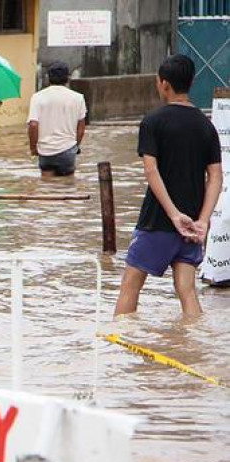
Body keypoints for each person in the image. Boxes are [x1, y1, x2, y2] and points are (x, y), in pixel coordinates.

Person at [113, 54, 223, 318]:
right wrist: (203, 221)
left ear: (163, 84)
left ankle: (117, 348)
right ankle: (193, 346)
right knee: (186, 289)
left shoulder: (153, 121)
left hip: (158, 221)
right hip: (193, 225)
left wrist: (173, 215)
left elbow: (151, 171)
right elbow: (216, 177)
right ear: (191, 83)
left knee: (131, 285)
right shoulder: (206, 125)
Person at [27, 62, 86, 177]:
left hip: (45, 150)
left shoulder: (37, 97)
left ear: (48, 77)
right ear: (68, 78)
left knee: (47, 188)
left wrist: (33, 148)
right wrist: (75, 146)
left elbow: (33, 125)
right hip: (68, 149)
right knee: (68, 187)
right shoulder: (78, 98)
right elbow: (81, 128)